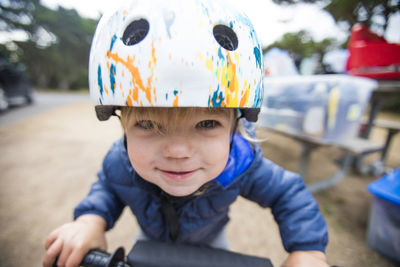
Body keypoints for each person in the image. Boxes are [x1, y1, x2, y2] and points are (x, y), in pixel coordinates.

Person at [43, 0, 329, 266]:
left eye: (206, 124)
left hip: (210, 244)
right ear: (122, 126)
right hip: (150, 243)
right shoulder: (121, 162)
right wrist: (90, 221)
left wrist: (307, 250)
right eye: (148, 124)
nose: (177, 151)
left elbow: (288, 194)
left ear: (234, 127)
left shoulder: (241, 165)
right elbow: (107, 187)